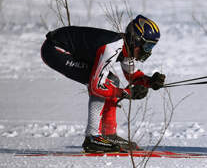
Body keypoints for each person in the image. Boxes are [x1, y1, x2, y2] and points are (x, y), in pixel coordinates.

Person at [41, 15, 166, 152]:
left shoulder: (126, 48)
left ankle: (109, 134)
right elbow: (96, 86)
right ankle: (93, 137)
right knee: (103, 83)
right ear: (135, 40)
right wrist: (127, 93)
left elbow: (132, 75)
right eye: (147, 46)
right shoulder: (112, 48)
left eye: (151, 47)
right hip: (55, 50)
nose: (148, 52)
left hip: (64, 48)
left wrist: (150, 81)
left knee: (112, 81)